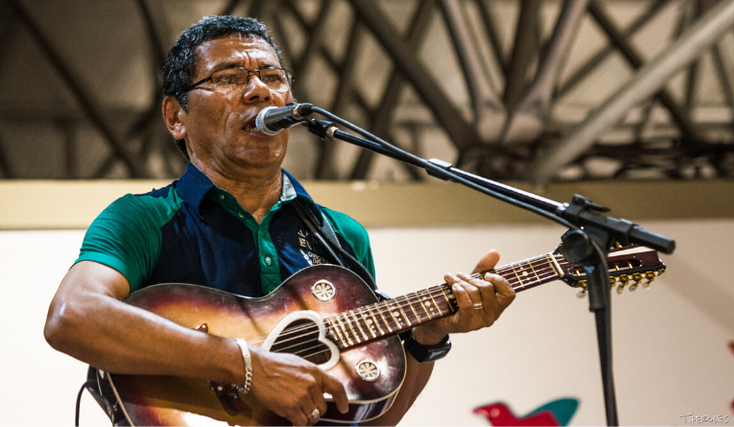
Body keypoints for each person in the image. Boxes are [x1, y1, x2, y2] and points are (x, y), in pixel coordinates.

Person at [44, 15, 515, 426]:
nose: (259, 90)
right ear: (175, 116)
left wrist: (428, 338)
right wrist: (247, 366)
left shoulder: (341, 238)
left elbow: (364, 418)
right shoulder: (142, 219)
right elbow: (73, 316)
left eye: (272, 75)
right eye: (229, 77)